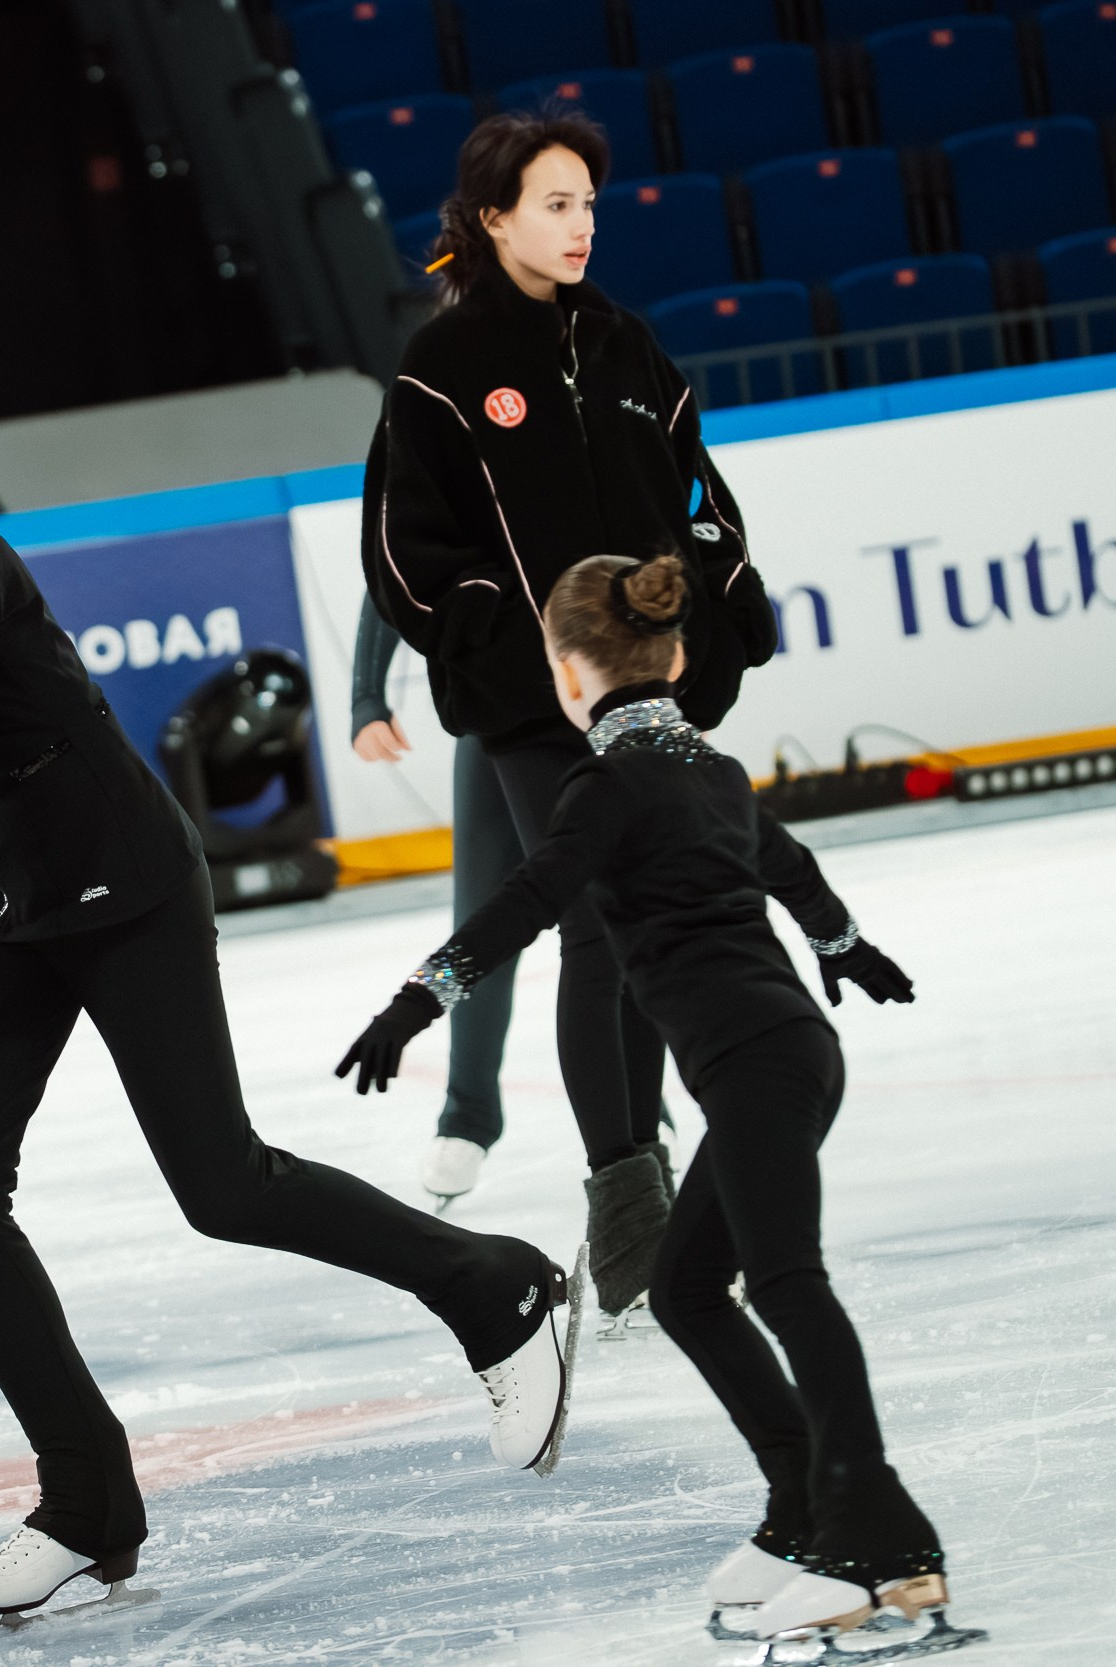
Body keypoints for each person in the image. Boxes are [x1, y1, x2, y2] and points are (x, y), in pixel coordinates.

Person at [0, 280, 585, 1639]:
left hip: (122, 887)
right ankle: (88, 1504)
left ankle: (497, 1286)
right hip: (19, 895)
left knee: (221, 1180)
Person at [336, 554, 979, 1659]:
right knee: (685, 1287)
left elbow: (529, 898)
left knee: (787, 1284)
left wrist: (418, 998)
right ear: (676, 657)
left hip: (755, 1069)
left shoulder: (604, 790)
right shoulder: (711, 773)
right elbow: (790, 862)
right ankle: (799, 1504)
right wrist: (844, 945)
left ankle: (879, 1540)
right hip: (781, 1058)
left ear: (565, 676)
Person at [362, 110, 780, 1329]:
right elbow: (401, 548)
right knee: (600, 923)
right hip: (532, 707)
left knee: (647, 917)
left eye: (588, 203)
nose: (580, 223)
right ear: (492, 218)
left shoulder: (628, 346)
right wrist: (497, 634)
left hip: (650, 683)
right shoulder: (441, 367)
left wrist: (719, 603)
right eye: (554, 203)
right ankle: (626, 1192)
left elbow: (701, 492)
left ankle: (644, 1155)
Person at [348, 595, 527, 1211]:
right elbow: (392, 572)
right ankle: (469, 1112)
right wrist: (366, 694)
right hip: (496, 717)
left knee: (609, 929)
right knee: (481, 925)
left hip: (594, 713)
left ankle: (638, 1109)